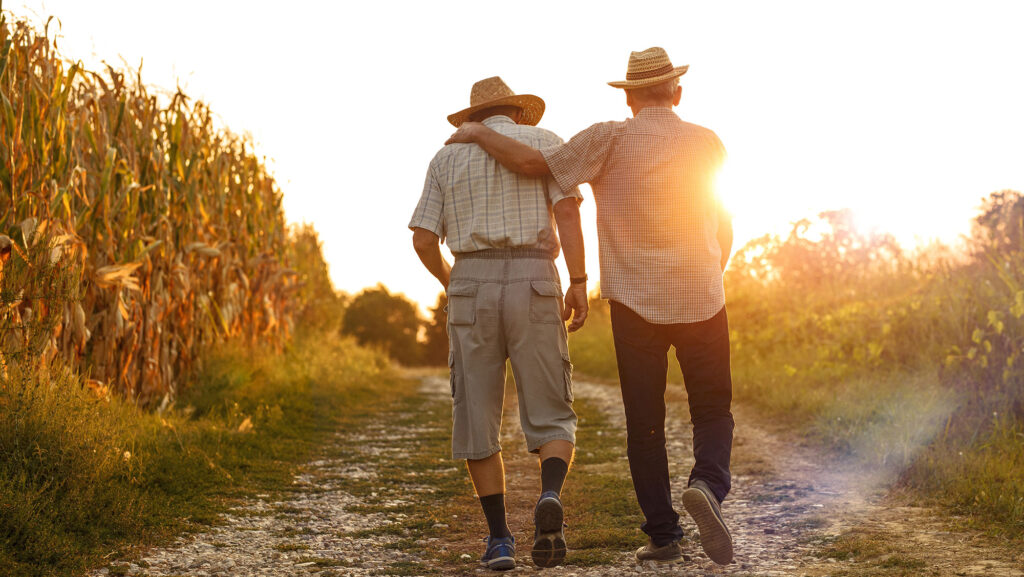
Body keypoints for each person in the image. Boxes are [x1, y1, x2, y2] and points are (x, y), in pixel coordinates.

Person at [445, 48, 735, 566]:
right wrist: (713, 271)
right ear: (678, 92)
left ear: (626, 97)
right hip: (703, 296)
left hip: (634, 302)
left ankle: (664, 535)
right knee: (712, 410)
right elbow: (722, 218)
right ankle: (708, 485)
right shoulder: (707, 142)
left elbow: (534, 164)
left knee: (644, 421)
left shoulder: (607, 138)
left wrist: (479, 133)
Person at [409, 76, 589, 571]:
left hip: (471, 280)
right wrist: (577, 279)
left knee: (477, 415)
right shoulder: (547, 143)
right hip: (535, 276)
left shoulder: (446, 157)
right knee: (553, 410)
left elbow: (423, 239)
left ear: (472, 117)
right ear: (516, 111)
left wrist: (453, 281)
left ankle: (499, 540)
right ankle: (549, 494)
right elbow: (568, 214)